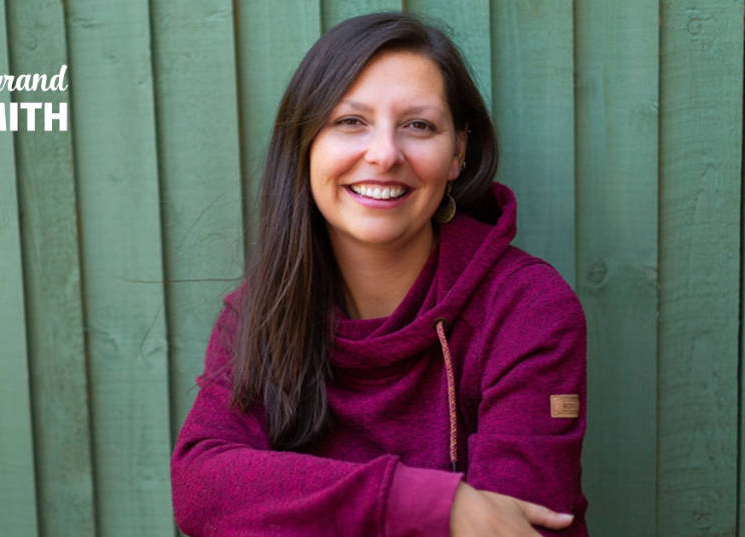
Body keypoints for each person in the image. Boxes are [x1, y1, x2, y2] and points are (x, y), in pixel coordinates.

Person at [170, 11, 588, 537]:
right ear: (305, 147)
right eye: (350, 122)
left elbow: (513, 528)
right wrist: (435, 505)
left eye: (419, 125)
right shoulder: (262, 313)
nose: (385, 154)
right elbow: (200, 485)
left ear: (458, 151)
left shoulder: (528, 308)